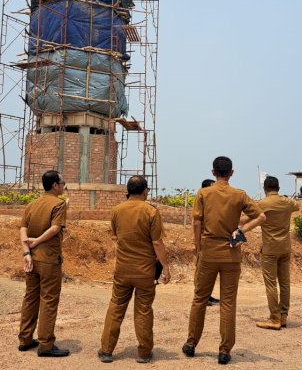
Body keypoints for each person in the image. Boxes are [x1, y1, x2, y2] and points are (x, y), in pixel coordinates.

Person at [183, 156, 266, 365]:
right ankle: (224, 351)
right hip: (231, 254)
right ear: (231, 173)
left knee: (200, 298)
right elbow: (261, 217)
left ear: (213, 172)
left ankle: (191, 344)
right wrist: (241, 229)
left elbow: (196, 223)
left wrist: (198, 247)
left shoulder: (204, 193)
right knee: (228, 303)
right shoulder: (239, 195)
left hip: (208, 252)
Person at [98, 175, 171, 364]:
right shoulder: (151, 212)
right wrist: (165, 267)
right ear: (145, 191)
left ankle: (106, 350)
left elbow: (116, 235)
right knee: (144, 310)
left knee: (115, 308)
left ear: (128, 191)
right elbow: (157, 242)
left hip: (122, 269)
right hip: (145, 271)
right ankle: (144, 353)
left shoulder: (117, 210)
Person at [18, 170, 70, 357]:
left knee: (30, 298)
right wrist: (38, 241)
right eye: (63, 183)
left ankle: (25, 339)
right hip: (48, 259)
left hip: (31, 259)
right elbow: (55, 228)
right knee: (48, 300)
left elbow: (23, 229)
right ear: (55, 185)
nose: (64, 186)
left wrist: (26, 252)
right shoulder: (59, 204)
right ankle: (46, 344)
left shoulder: (32, 204)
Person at [248, 176, 300, 330]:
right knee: (285, 283)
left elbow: (249, 217)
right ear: (278, 187)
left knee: (271, 284)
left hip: (270, 248)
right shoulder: (287, 202)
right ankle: (283, 316)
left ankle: (274, 318)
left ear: (265, 189)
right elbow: (297, 205)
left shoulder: (263, 203)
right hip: (285, 247)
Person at [200, 179, 220, 307]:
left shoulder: (211, 204)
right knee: (202, 272)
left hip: (211, 242)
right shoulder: (202, 202)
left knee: (209, 273)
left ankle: (208, 295)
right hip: (204, 241)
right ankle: (203, 297)